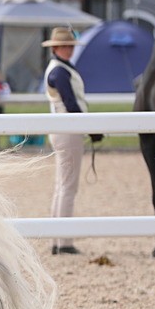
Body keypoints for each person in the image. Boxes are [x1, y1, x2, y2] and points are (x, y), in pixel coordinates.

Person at [43, 27, 101, 255]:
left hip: (64, 129)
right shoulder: (59, 72)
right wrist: (89, 128)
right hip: (68, 129)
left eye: (70, 46)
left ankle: (58, 238)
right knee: (68, 186)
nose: (69, 50)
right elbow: (71, 103)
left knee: (63, 185)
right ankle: (63, 241)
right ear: (55, 48)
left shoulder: (61, 68)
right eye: (65, 46)